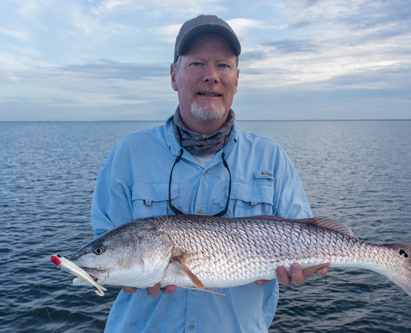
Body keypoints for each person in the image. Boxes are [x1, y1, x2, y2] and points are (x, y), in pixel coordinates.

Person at [91, 14, 329, 332]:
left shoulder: (271, 157)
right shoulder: (128, 155)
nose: (211, 76)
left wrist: (308, 267)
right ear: (174, 76)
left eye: (223, 65)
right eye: (197, 64)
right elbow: (110, 249)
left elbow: (305, 237)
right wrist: (127, 273)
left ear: (237, 78)